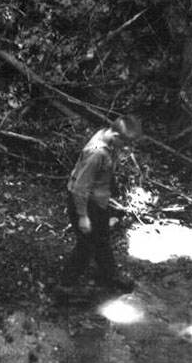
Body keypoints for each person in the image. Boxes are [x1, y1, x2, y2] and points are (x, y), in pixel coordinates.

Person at [56, 115, 143, 298]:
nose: (127, 148)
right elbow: (80, 188)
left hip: (99, 201)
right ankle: (65, 286)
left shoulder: (108, 138)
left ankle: (109, 274)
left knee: (103, 238)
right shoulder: (97, 152)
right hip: (85, 203)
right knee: (85, 246)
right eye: (126, 143)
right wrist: (83, 216)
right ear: (117, 136)